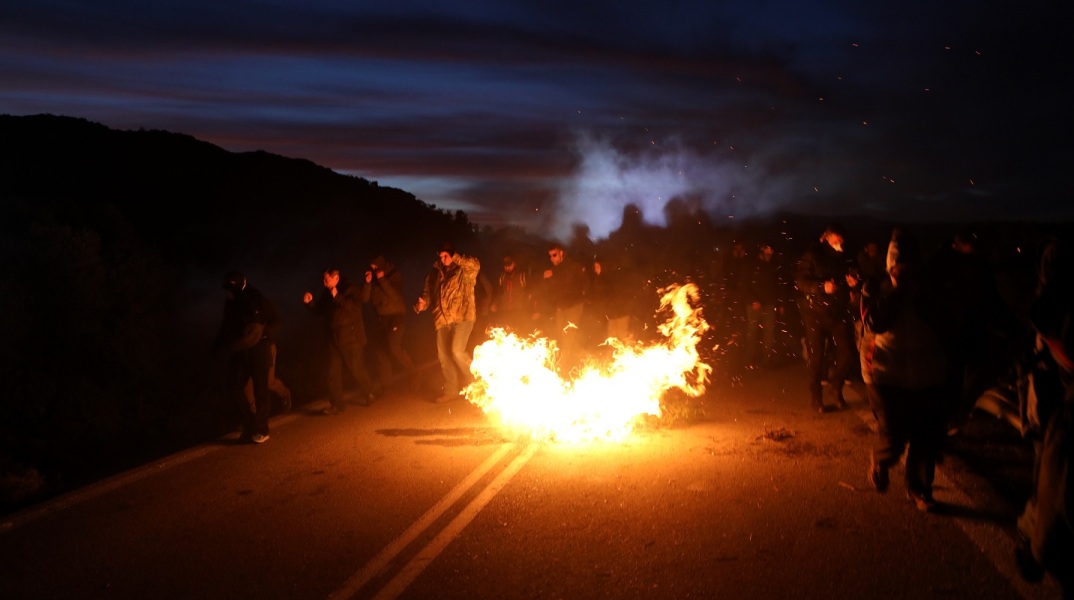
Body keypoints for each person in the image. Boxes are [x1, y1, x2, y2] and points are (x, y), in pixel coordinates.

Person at [861, 229, 951, 512]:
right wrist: (897, 289)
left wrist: (919, 293)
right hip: (885, 372)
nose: (904, 268)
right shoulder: (875, 285)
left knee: (925, 437)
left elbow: (944, 321)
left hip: (927, 372)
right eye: (898, 262)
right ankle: (880, 459)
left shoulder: (932, 285)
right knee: (894, 437)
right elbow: (874, 322)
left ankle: (920, 489)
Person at [1014, 237, 1073, 593]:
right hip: (1050, 410)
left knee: (1051, 478)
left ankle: (1035, 546)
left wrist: (1035, 551)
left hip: (1055, 414)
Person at [795, 223, 859, 412]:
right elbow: (800, 281)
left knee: (847, 354)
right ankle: (816, 398)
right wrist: (821, 287)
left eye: (841, 238)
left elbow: (854, 274)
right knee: (817, 358)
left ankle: (835, 387)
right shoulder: (813, 254)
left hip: (838, 312)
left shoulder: (846, 256)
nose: (840, 241)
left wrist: (853, 283)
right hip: (814, 313)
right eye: (836, 238)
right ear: (827, 238)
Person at [212, 271, 280, 444]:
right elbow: (226, 324)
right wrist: (217, 345)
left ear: (241, 283)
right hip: (240, 349)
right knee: (234, 387)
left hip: (260, 348)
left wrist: (263, 333)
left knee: (260, 388)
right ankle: (250, 424)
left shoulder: (255, 297)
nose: (228, 289)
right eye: (226, 286)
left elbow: (276, 320)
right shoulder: (231, 301)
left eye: (231, 285)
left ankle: (262, 429)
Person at [303, 267, 378, 415]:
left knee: (356, 368)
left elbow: (353, 307)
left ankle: (370, 392)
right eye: (323, 280)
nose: (324, 283)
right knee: (332, 373)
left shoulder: (350, 288)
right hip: (333, 339)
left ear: (336, 278)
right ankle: (337, 404)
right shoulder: (327, 292)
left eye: (327, 279)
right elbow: (320, 311)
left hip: (351, 338)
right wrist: (310, 303)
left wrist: (337, 295)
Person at [414, 243, 481, 404]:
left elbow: (475, 265)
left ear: (452, 254)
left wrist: (456, 257)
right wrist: (422, 304)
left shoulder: (463, 270)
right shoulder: (434, 274)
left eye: (446, 256)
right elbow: (428, 293)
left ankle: (477, 382)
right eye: (441, 256)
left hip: (463, 317)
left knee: (457, 351)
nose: (443, 259)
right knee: (443, 356)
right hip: (443, 320)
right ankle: (451, 389)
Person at [363, 255, 420, 392]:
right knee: (381, 351)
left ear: (381, 265)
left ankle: (414, 373)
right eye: (371, 266)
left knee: (394, 346)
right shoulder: (373, 279)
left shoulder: (394, 275)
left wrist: (382, 279)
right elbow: (364, 299)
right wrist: (367, 283)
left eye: (375, 266)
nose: (373, 268)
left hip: (396, 317)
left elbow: (395, 295)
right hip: (381, 318)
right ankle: (386, 387)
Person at [534, 241, 590, 370]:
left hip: (573, 306)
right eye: (550, 256)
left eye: (554, 255)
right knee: (561, 336)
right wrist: (546, 279)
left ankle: (566, 367)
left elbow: (576, 283)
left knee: (569, 336)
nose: (551, 258)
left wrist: (583, 297)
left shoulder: (572, 266)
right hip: (560, 307)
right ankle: (574, 361)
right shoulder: (553, 270)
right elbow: (549, 290)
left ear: (561, 253)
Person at [745, 243, 786, 369]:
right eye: (768, 251)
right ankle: (750, 360)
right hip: (754, 306)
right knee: (752, 333)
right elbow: (744, 285)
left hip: (769, 305)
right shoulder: (751, 265)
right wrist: (753, 300)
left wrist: (780, 303)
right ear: (762, 250)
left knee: (769, 333)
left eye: (771, 252)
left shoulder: (772, 266)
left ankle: (766, 360)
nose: (770, 254)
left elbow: (777, 286)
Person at [489, 254, 532, 334]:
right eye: (505, 266)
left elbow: (531, 292)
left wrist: (530, 308)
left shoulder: (522, 276)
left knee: (519, 334)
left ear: (514, 264)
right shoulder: (502, 277)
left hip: (519, 311)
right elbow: (499, 292)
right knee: (506, 334)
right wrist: (494, 303)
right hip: (505, 311)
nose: (507, 268)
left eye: (509, 265)